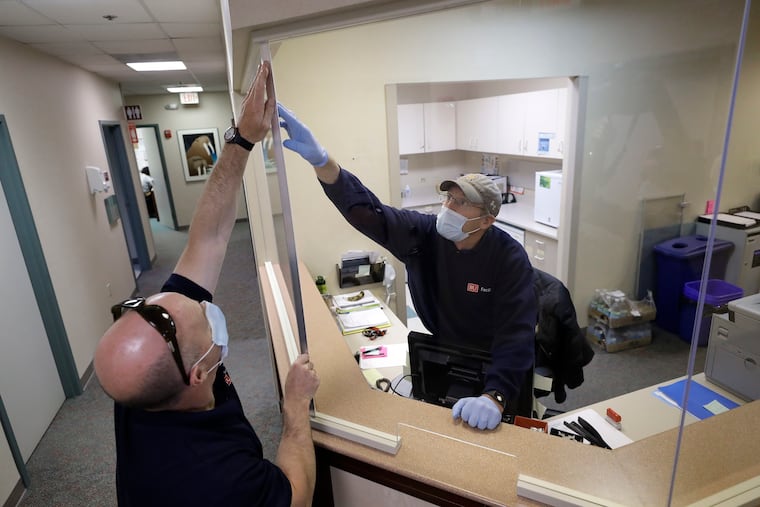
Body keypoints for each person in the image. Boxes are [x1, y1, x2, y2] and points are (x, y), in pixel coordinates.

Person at [94, 63, 320, 507]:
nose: (203, 303)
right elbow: (296, 495)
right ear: (197, 374)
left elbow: (210, 238)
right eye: (202, 316)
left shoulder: (147, 381)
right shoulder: (216, 482)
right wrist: (294, 411)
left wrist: (242, 138)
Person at [278, 103, 536, 431]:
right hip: (443, 351)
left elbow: (516, 334)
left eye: (460, 203)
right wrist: (324, 163)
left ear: (487, 219)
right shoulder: (426, 235)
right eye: (448, 199)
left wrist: (495, 395)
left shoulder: (509, 258)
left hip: (495, 361)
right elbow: (369, 214)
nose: (448, 208)